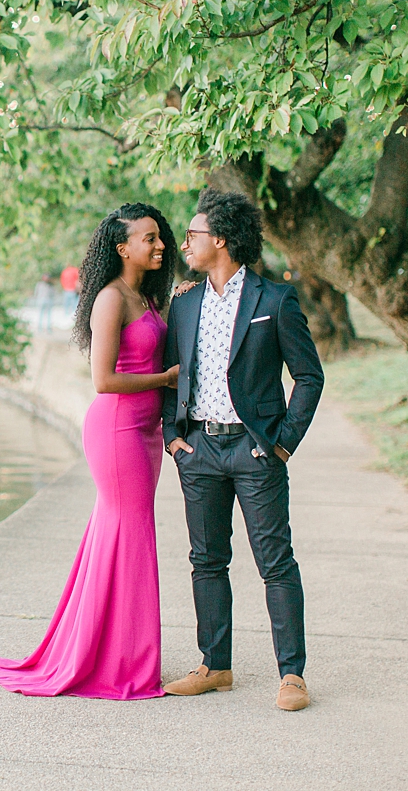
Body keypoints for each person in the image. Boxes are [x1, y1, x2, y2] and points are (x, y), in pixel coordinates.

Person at [0, 203, 180, 699]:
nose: (161, 245)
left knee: (118, 535)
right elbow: (103, 381)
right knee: (132, 533)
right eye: (150, 239)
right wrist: (164, 380)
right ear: (123, 249)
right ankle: (124, 659)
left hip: (146, 429)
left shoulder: (147, 296)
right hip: (118, 428)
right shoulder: (110, 299)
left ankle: (111, 648)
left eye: (160, 237)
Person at [160, 189, 323, 711]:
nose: (184, 243)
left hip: (255, 453)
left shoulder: (274, 301)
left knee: (275, 562)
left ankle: (292, 675)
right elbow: (173, 375)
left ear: (222, 240)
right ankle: (216, 666)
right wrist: (173, 437)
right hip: (200, 450)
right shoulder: (183, 302)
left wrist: (282, 444)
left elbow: (308, 376)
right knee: (206, 560)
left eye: (193, 235)